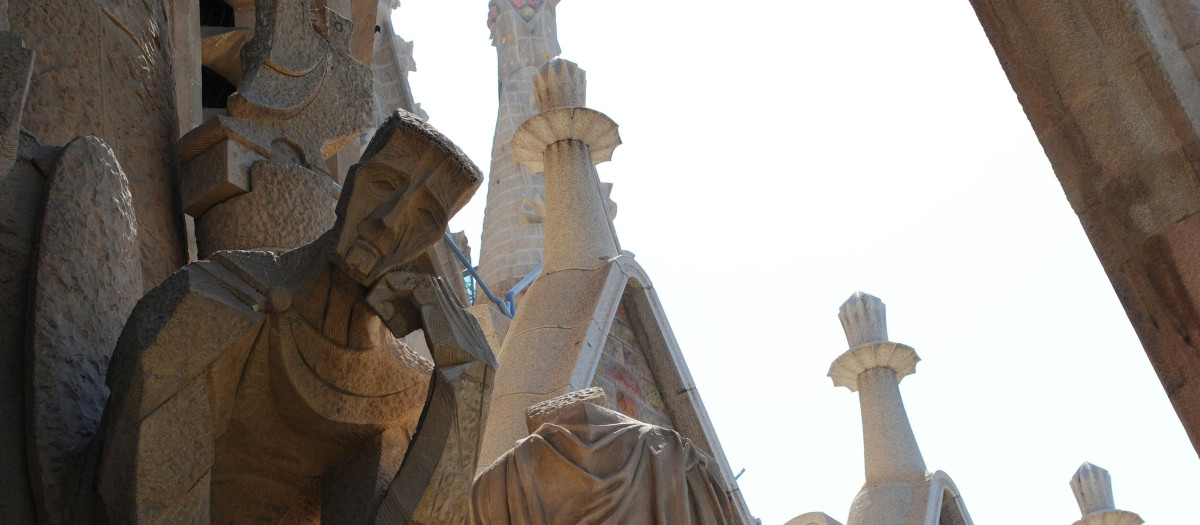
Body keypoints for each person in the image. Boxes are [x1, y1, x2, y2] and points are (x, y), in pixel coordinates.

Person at [93, 111, 488, 524]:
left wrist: (470, 380)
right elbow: (145, 491)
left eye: (425, 217)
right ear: (350, 187)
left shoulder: (399, 393)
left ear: (429, 244)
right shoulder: (218, 298)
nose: (389, 222)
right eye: (385, 185)